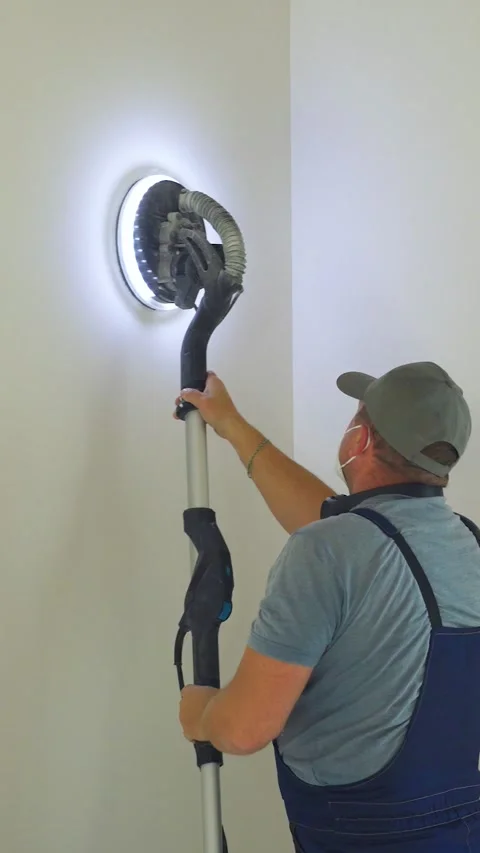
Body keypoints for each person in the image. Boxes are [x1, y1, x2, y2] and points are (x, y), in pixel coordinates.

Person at [176, 361, 480, 853]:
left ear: (360, 438)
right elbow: (335, 521)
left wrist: (202, 714)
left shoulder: (329, 550)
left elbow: (245, 728)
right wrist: (230, 424)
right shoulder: (467, 543)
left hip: (362, 837)